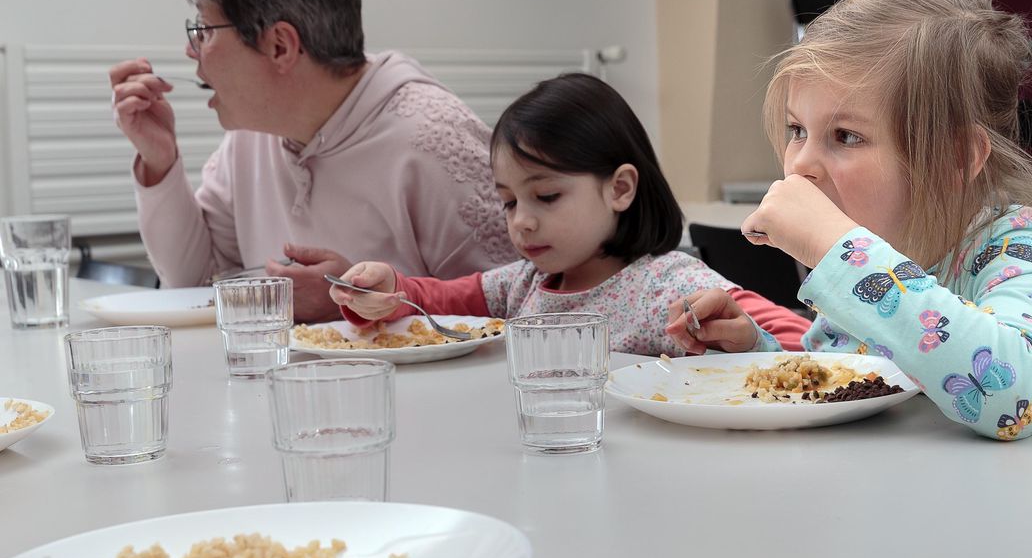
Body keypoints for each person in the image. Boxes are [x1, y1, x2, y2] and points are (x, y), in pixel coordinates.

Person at [108, 0, 516, 322]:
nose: (191, 50)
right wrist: (160, 161)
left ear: (280, 46)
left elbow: (520, 308)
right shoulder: (252, 135)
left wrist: (357, 305)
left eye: (205, 30)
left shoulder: (434, 140)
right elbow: (196, 283)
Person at [735, 0, 1032, 441]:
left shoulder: (1019, 249)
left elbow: (1013, 399)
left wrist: (840, 252)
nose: (800, 163)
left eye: (846, 136)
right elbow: (846, 385)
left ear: (955, 158)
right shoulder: (870, 253)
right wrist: (753, 350)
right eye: (797, 130)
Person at [329, 73, 811, 356]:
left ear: (619, 189)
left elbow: (806, 344)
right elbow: (435, 303)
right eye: (509, 202)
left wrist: (747, 340)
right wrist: (387, 291)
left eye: (546, 196)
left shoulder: (665, 285)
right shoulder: (521, 283)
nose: (522, 221)